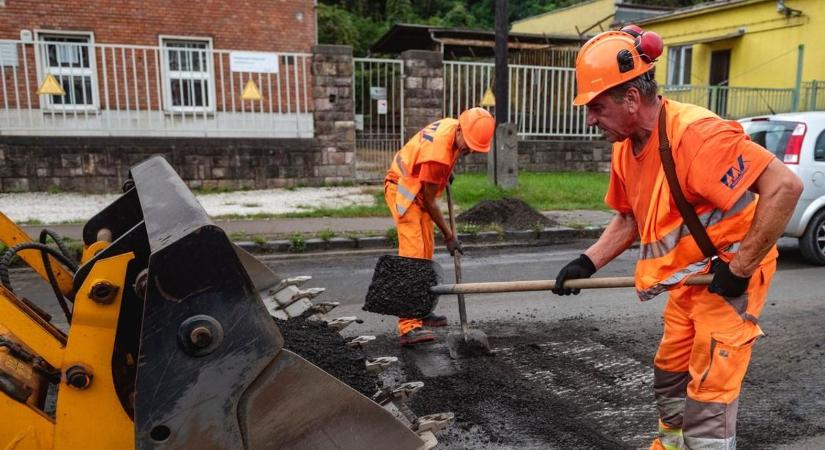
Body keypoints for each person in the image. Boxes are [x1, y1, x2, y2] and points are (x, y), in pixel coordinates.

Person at [551, 26, 803, 449]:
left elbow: (785, 187)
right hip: (689, 280)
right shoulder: (624, 145)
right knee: (669, 372)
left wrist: (740, 269)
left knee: (709, 388)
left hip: (728, 277)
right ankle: (670, 445)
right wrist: (587, 261)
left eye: (596, 106)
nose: (590, 119)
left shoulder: (699, 135)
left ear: (631, 98)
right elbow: (630, 218)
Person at [384, 107, 495, 346]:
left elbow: (444, 156)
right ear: (461, 130)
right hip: (403, 189)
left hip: (417, 184)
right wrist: (449, 236)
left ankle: (421, 310)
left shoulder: (453, 126)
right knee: (413, 258)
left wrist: (446, 173)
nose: (469, 150)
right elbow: (431, 201)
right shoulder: (438, 155)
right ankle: (408, 327)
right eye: (468, 145)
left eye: (474, 148)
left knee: (425, 252)